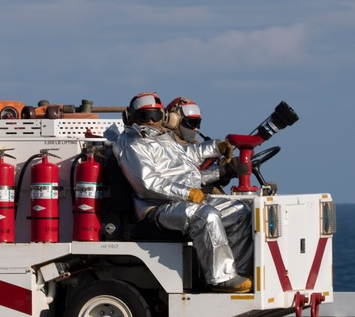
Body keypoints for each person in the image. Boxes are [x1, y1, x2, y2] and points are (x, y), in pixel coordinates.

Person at [106, 92, 253, 293]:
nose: (150, 121)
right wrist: (187, 193)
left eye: (155, 116)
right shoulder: (131, 144)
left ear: (163, 118)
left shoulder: (164, 138)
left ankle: (241, 270)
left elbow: (188, 156)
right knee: (205, 216)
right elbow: (146, 183)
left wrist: (216, 147)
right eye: (144, 116)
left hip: (182, 201)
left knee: (240, 210)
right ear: (131, 117)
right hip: (157, 208)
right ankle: (220, 278)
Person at [165, 96, 247, 193]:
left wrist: (228, 171)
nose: (196, 129)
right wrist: (221, 170)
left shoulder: (195, 144)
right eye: (192, 123)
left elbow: (214, 182)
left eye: (198, 123)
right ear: (173, 121)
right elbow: (185, 178)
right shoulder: (165, 146)